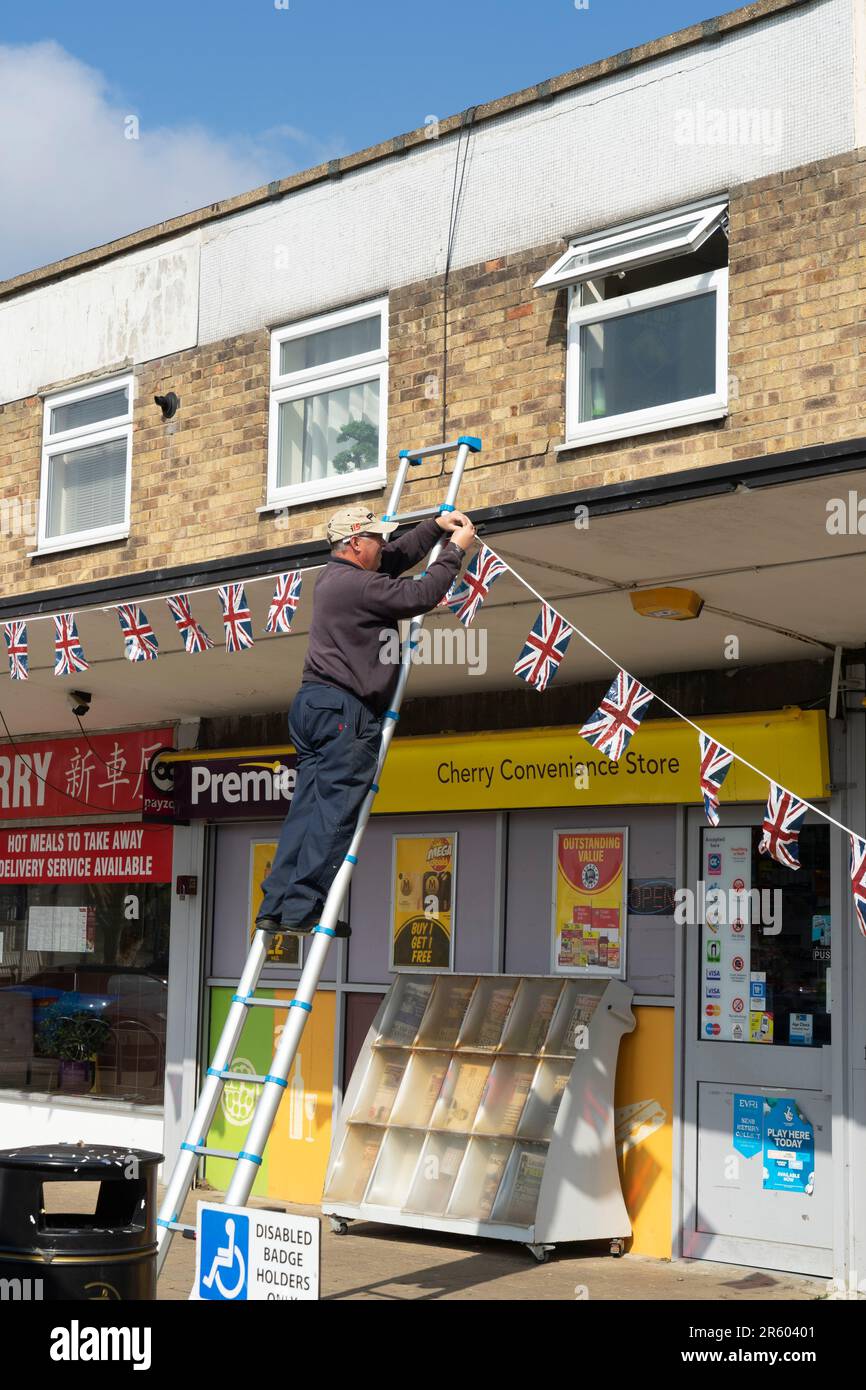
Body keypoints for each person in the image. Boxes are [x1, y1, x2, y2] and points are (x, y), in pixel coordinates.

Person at [256, 503, 476, 935]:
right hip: (344, 711)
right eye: (375, 538)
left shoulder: (338, 579)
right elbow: (418, 596)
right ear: (354, 543)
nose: (383, 546)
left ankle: (276, 904)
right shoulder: (358, 586)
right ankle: (304, 909)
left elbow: (394, 559)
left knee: (306, 812)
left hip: (315, 705)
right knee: (335, 813)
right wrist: (454, 551)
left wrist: (432, 527)